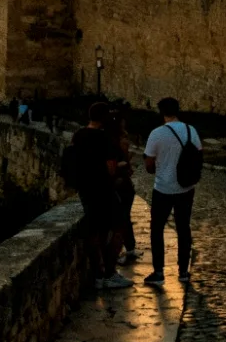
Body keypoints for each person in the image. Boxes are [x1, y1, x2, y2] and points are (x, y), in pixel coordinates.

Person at [141, 97, 200, 285]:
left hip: (163, 189)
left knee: (157, 229)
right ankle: (183, 272)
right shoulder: (191, 130)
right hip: (186, 188)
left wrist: (158, 167)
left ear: (161, 112)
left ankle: (158, 272)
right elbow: (198, 154)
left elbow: (149, 164)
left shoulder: (157, 134)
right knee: (184, 228)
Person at [71, 103, 130, 289]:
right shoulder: (104, 138)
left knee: (94, 232)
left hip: (85, 190)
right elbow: (111, 169)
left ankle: (97, 275)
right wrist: (123, 166)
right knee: (119, 228)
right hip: (103, 190)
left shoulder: (78, 135)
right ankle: (110, 273)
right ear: (104, 118)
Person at [105, 103, 139, 265]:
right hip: (123, 183)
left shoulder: (108, 140)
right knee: (124, 217)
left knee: (121, 218)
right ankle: (129, 248)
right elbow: (127, 165)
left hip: (117, 183)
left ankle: (126, 249)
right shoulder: (121, 141)